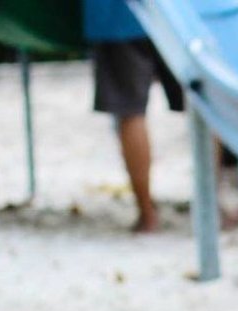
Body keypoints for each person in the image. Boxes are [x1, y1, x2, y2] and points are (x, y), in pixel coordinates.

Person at [83, 0, 184, 232]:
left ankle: (147, 215)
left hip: (117, 16)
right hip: (182, 15)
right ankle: (211, 205)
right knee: (202, 104)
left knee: (129, 111)